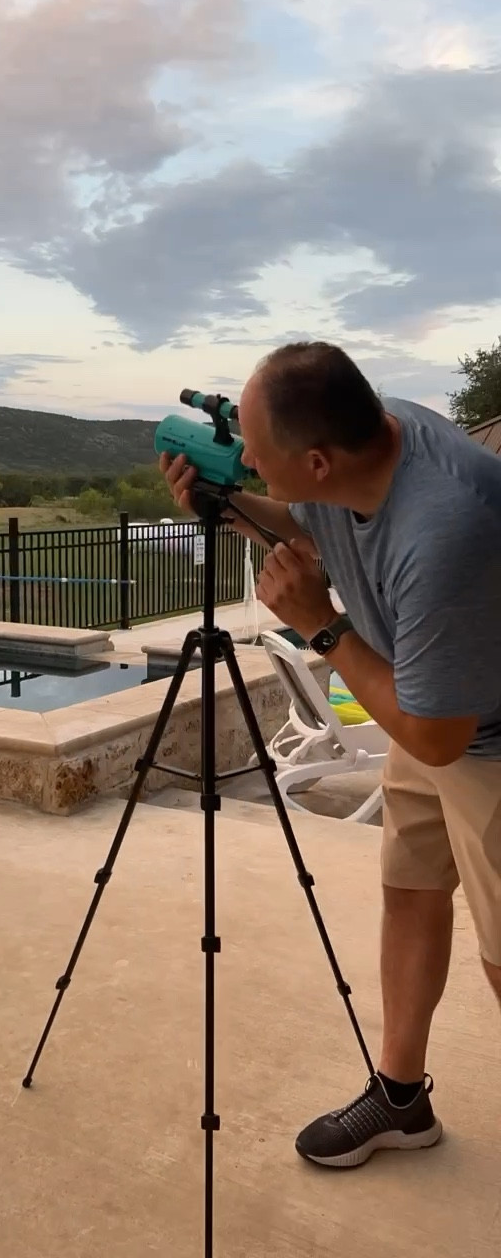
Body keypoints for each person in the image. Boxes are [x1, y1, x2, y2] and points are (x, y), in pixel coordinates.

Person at [160, 341, 501, 1170]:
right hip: (421, 693)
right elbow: (304, 519)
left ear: (316, 458)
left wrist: (320, 623)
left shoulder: (447, 527)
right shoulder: (368, 438)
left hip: (484, 739)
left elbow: (440, 738)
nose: (246, 458)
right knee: (411, 891)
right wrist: (226, 502)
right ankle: (401, 1100)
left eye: (255, 451)